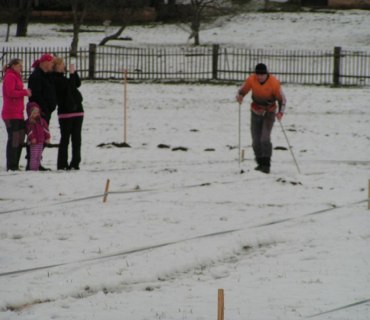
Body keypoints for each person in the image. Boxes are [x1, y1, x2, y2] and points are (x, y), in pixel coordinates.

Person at [236, 63, 286, 174]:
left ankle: (266, 164)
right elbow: (242, 90)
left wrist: (280, 112)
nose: (259, 77)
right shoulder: (251, 79)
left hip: (269, 112)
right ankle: (259, 162)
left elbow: (282, 99)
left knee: (264, 138)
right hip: (256, 111)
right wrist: (240, 96)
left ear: (266, 74)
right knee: (255, 141)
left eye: (262, 75)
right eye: (257, 74)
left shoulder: (274, 83)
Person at [53, 57, 84, 170]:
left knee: (77, 139)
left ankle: (75, 163)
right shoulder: (55, 79)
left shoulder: (65, 78)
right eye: (62, 64)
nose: (64, 66)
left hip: (78, 111)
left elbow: (77, 84)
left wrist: (74, 73)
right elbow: (70, 87)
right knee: (65, 139)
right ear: (56, 67)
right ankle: (62, 164)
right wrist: (71, 75)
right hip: (66, 112)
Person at [1, 59, 32, 171]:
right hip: (10, 113)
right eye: (19, 66)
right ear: (13, 66)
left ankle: (15, 163)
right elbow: (10, 92)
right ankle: (11, 165)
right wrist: (24, 92)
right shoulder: (10, 76)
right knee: (13, 138)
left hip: (18, 113)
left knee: (20, 138)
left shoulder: (16, 76)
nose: (21, 68)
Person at [27, 53, 56, 170]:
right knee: (36, 136)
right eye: (51, 62)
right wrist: (44, 108)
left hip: (45, 111)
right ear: (44, 63)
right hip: (39, 112)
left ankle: (37, 161)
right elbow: (36, 94)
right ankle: (32, 162)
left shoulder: (46, 75)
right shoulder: (36, 76)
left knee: (42, 136)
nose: (52, 65)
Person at [25, 102, 51, 171]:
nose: (36, 114)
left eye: (37, 112)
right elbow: (29, 131)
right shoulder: (30, 122)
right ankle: (33, 169)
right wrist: (32, 138)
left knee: (39, 156)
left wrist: (47, 137)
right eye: (34, 113)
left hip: (41, 141)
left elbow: (46, 130)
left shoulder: (42, 121)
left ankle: (37, 167)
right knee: (34, 156)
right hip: (34, 142)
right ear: (30, 113)